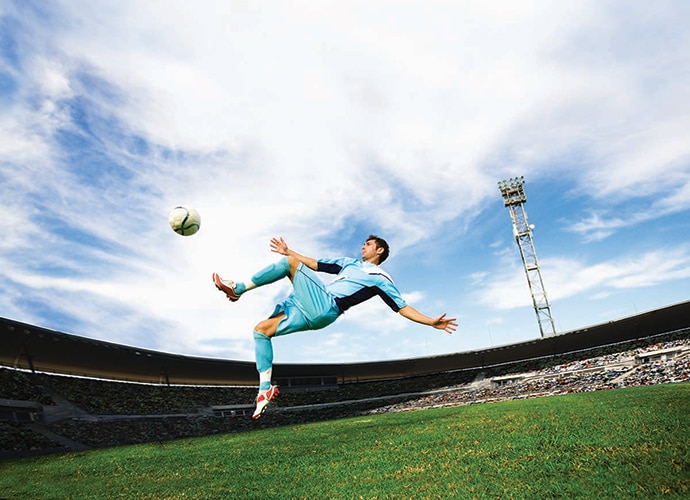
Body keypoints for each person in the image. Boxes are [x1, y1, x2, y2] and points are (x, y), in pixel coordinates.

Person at [212, 235, 457, 419]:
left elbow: (402, 307)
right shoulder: (348, 264)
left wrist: (431, 321)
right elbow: (315, 264)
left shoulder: (381, 279)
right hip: (306, 309)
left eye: (368, 244)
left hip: (325, 307)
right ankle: (265, 389)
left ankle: (239, 289)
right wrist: (290, 251)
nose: (363, 246)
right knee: (261, 331)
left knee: (289, 264)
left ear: (379, 250)